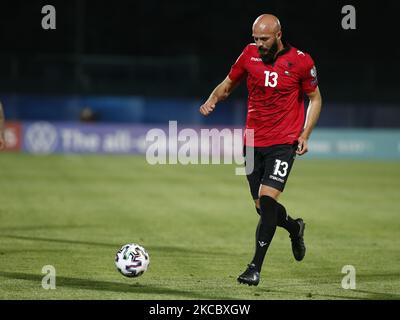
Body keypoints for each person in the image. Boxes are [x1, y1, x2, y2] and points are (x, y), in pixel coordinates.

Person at [199, 14, 322, 286]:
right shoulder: (249, 54)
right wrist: (212, 98)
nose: (259, 44)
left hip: (283, 142)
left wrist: (305, 133)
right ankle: (294, 227)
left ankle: (254, 267)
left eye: (264, 39)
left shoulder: (302, 61)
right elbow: (228, 84)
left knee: (267, 201)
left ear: (278, 35)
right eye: (255, 38)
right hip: (252, 141)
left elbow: (315, 98)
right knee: (261, 208)